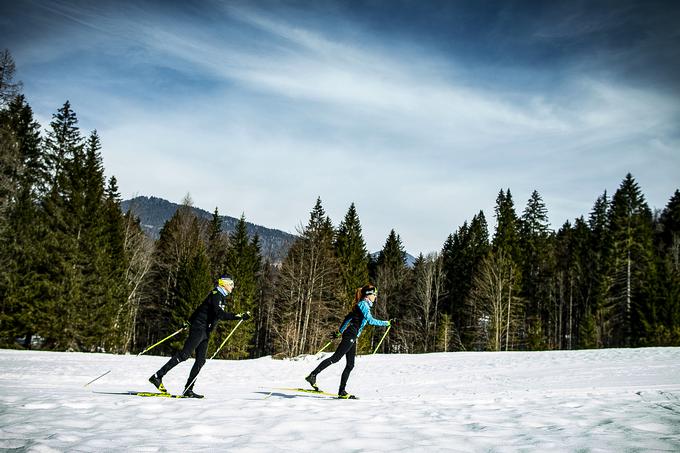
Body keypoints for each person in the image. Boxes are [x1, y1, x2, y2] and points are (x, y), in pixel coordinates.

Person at [148, 274, 250, 398]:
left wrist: (189, 321)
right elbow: (219, 314)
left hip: (205, 331)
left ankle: (188, 389)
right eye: (231, 284)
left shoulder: (220, 296)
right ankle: (157, 376)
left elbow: (200, 308)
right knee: (184, 355)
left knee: (201, 360)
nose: (233, 287)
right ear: (224, 283)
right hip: (199, 329)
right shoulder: (216, 295)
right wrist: (238, 316)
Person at [305, 284, 390, 399]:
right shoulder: (363, 305)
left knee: (350, 364)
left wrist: (339, 332)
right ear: (368, 295)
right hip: (351, 334)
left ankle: (342, 391)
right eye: (374, 295)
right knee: (336, 358)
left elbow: (347, 318)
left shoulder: (360, 305)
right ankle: (313, 375)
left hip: (352, 335)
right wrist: (386, 323)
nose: (375, 297)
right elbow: (370, 320)